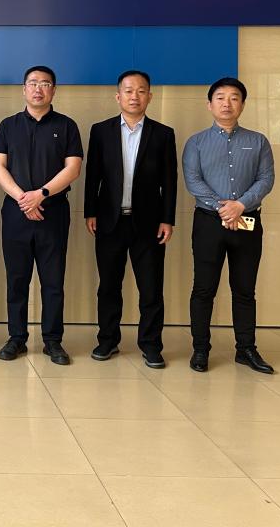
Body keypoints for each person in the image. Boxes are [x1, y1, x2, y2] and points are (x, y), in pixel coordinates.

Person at [84, 70, 177, 369]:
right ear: (118, 96)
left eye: (140, 91)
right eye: (128, 90)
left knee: (151, 288)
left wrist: (168, 219)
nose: (134, 96)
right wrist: (90, 212)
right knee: (109, 286)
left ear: (150, 96)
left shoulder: (163, 134)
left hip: (149, 223)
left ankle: (151, 345)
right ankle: (107, 340)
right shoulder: (101, 131)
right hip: (109, 221)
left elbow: (170, 181)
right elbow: (92, 175)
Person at [183, 77, 276, 374]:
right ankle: (200, 349)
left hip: (247, 222)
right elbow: (193, 181)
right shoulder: (196, 143)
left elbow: (266, 179)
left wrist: (240, 205)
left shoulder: (258, 141)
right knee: (203, 289)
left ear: (243, 104)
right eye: (220, 98)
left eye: (234, 98)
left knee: (245, 289)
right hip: (208, 223)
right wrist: (224, 209)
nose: (227, 103)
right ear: (209, 104)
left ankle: (246, 349)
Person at [0, 66, 82, 365]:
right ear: (24, 89)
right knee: (17, 279)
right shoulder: (8, 126)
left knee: (53, 281)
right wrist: (23, 198)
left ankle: (53, 341)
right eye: (33, 83)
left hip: (53, 212)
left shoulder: (67, 126)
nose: (38, 89)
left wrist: (40, 195)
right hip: (16, 212)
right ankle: (16, 338)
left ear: (53, 90)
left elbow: (73, 168)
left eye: (45, 84)